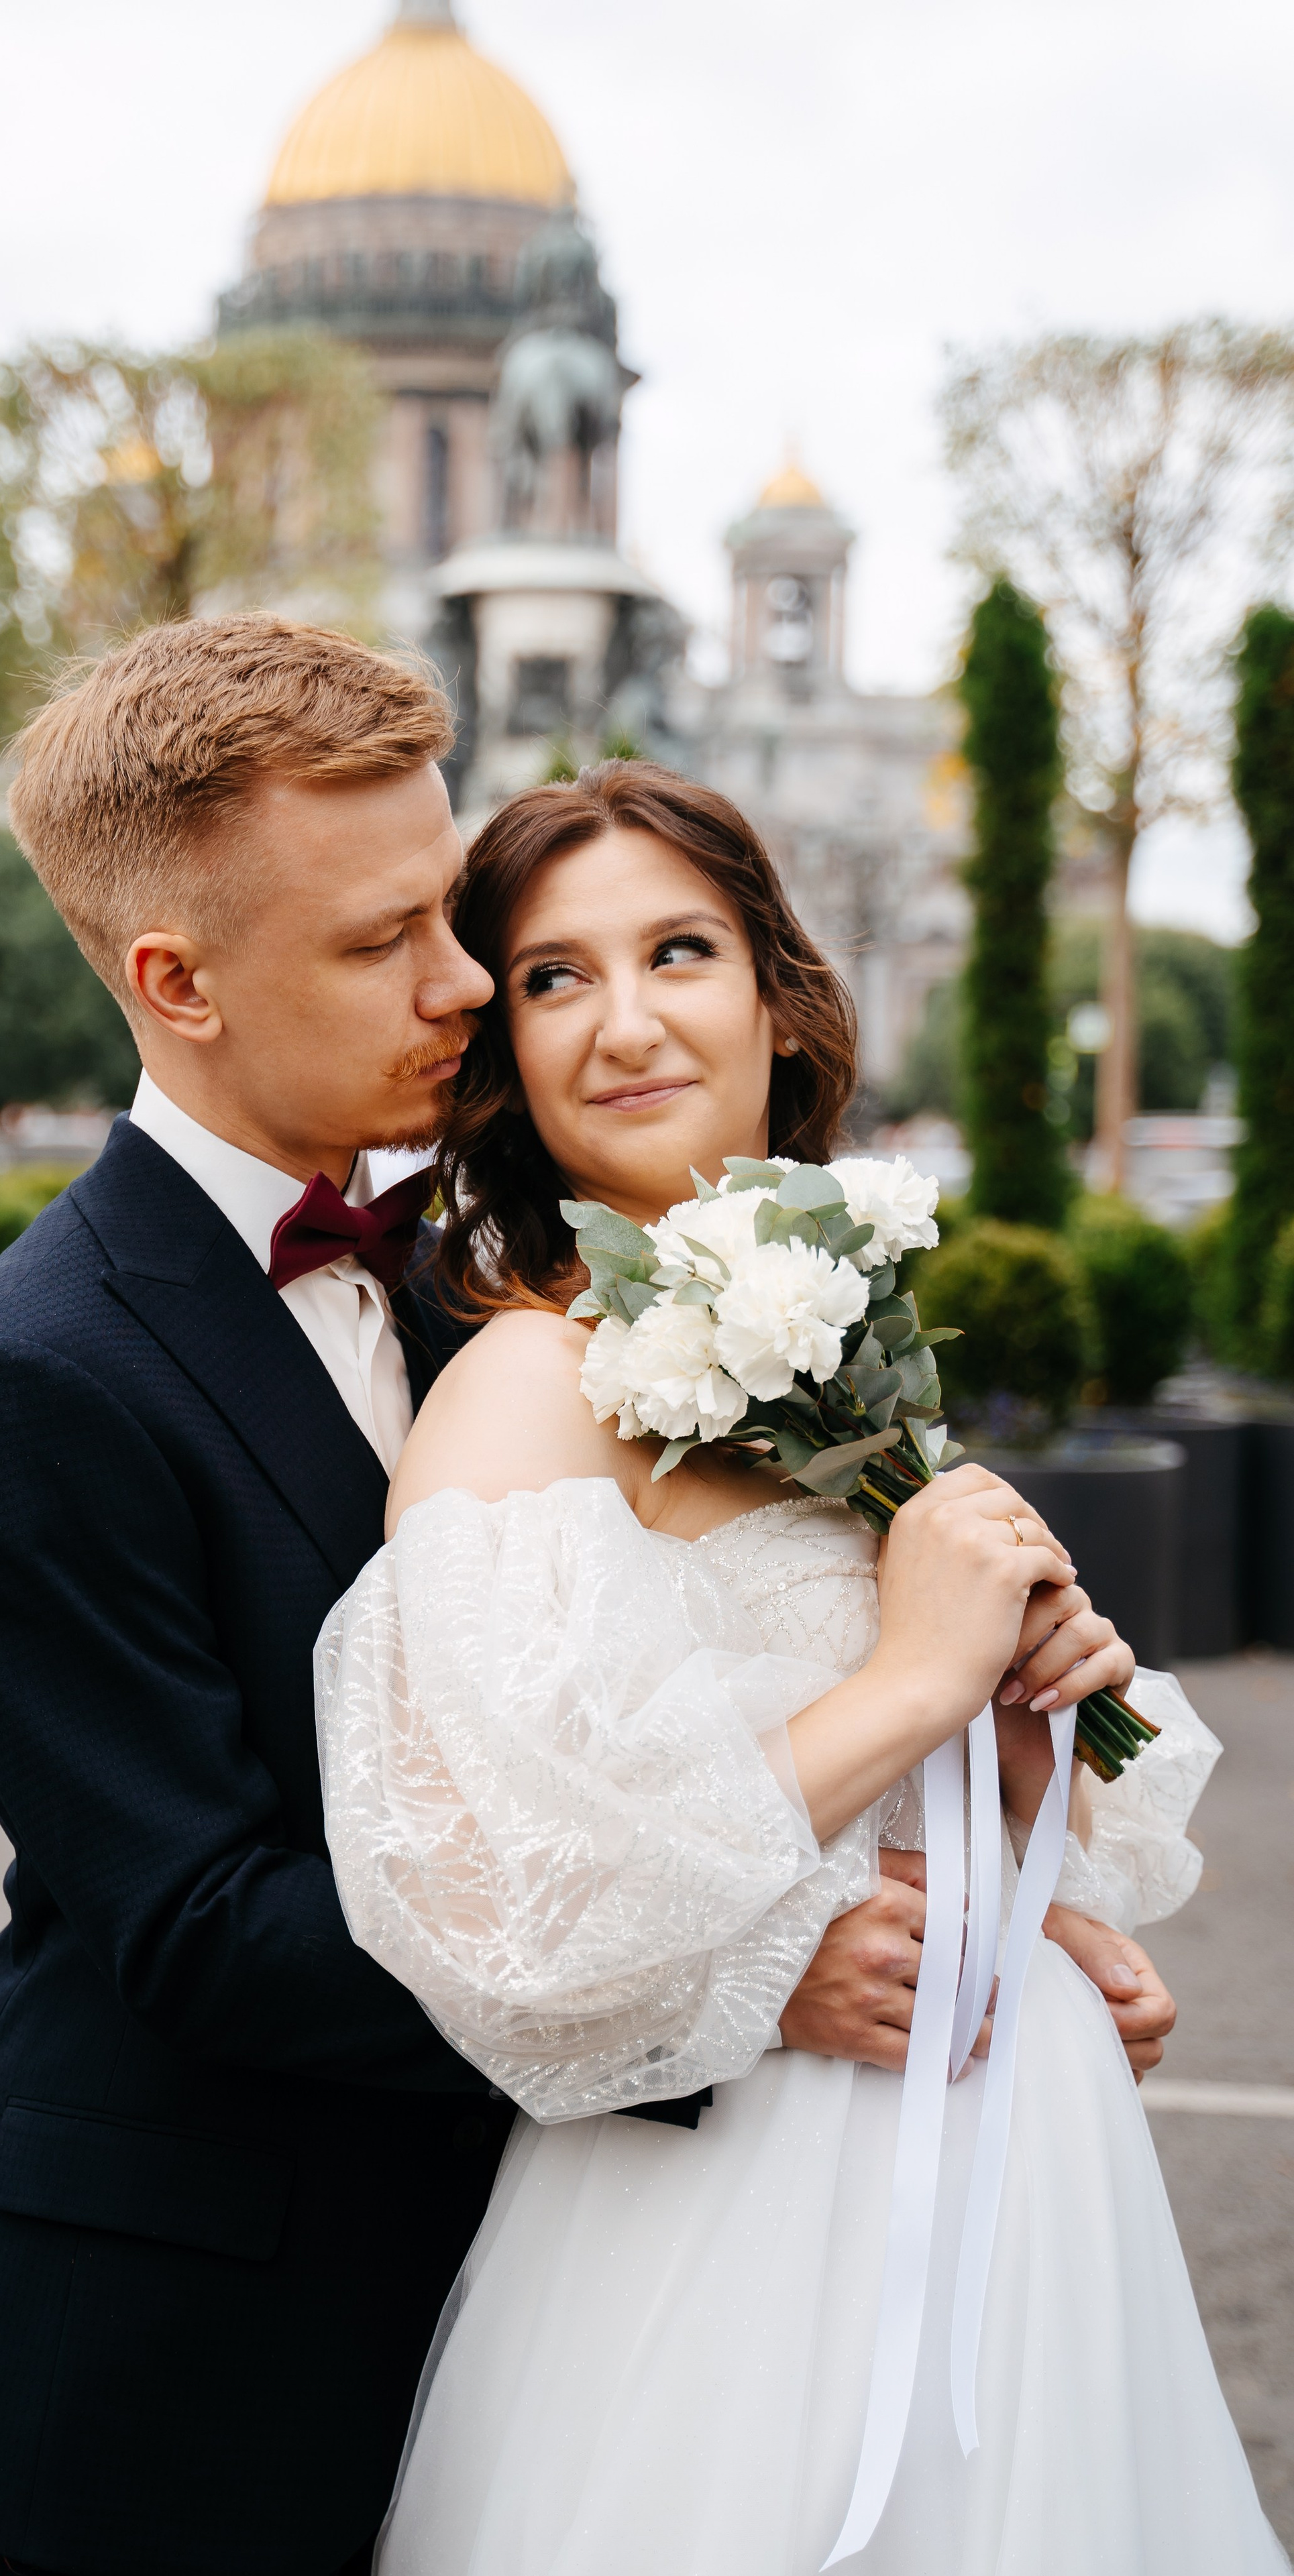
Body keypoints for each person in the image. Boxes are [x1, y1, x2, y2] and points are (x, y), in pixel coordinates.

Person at [0, 620, 1176, 2576]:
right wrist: (755, 1966)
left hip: (538, 2305)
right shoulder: (43, 1379)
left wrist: (1004, 1902)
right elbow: (205, 1924)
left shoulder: (523, 1303)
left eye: (457, 920)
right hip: (165, 2363)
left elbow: (643, 1709)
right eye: (389, 944)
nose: (463, 983)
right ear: (173, 980)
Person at [315, 760, 1285, 2574]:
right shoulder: (524, 1383)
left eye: (678, 949)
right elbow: (495, 1894)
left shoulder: (823, 1351)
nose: (625, 1021)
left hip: (1023, 2175)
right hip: (740, 2223)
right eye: (552, 976)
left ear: (778, 994)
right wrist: (914, 1680)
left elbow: (879, 1793)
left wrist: (1020, 1796)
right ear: (501, 1048)